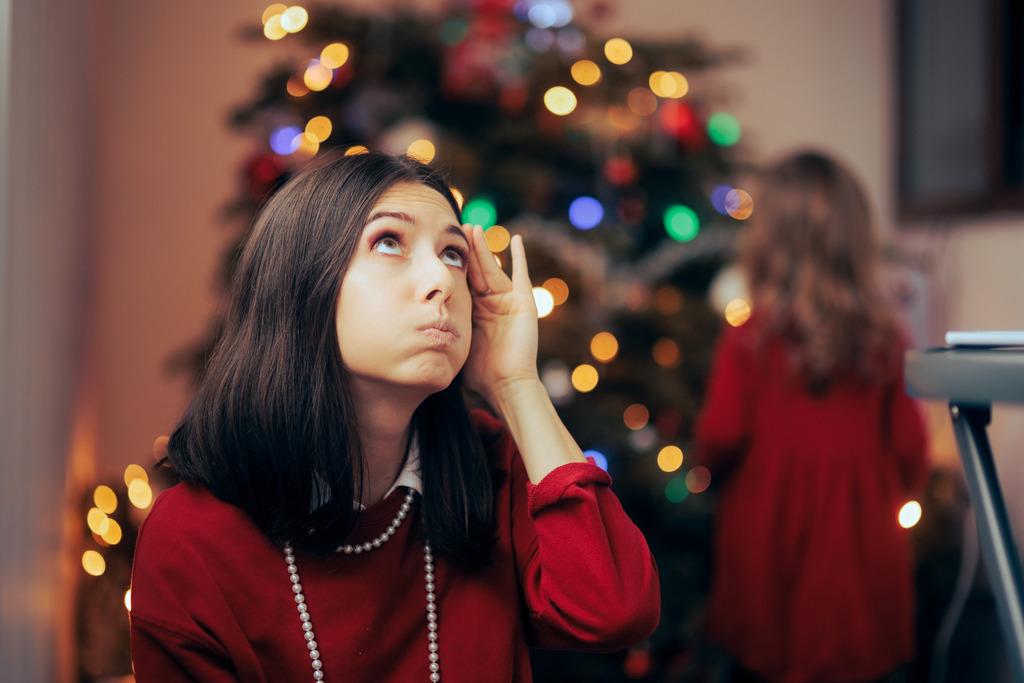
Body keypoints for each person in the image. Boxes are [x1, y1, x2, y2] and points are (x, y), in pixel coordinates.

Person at [129, 152, 660, 682]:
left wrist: (515, 384)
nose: (442, 281)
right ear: (301, 284)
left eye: (452, 253)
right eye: (388, 242)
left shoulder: (486, 469)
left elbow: (613, 612)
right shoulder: (191, 536)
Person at [694, 151, 929, 683]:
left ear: (766, 241)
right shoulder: (886, 341)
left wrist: (706, 471)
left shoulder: (750, 339)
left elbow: (720, 435)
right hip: (860, 550)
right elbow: (911, 450)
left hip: (767, 542)